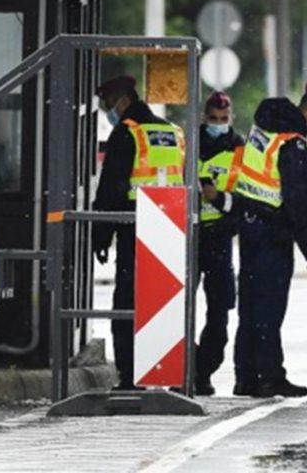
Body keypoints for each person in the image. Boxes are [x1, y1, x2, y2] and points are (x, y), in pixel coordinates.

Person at [232, 82, 307, 398]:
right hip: (272, 234)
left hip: (250, 228)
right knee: (269, 309)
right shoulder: (292, 144)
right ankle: (270, 377)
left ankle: (246, 377)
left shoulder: (263, 129)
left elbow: (262, 179)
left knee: (250, 307)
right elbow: (296, 202)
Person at [91, 75, 185, 390]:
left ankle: (130, 375)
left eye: (108, 105)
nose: (108, 111)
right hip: (170, 229)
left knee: (128, 302)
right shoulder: (171, 132)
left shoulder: (126, 133)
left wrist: (100, 236)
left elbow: (112, 188)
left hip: (134, 228)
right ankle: (167, 373)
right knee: (164, 300)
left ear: (121, 100)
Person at [193, 91, 245, 396]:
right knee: (177, 306)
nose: (217, 124)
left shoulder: (241, 150)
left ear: (231, 119)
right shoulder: (191, 144)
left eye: (223, 120)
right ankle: (183, 365)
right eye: (212, 119)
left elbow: (245, 199)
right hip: (187, 236)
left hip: (220, 237)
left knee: (220, 308)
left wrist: (219, 200)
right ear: (203, 118)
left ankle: (204, 369)